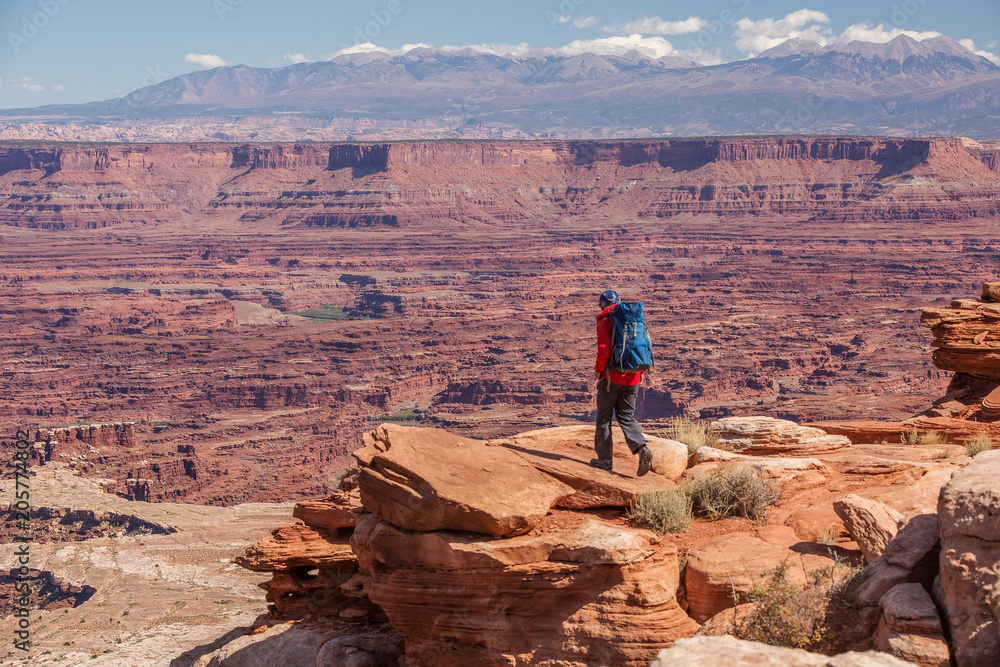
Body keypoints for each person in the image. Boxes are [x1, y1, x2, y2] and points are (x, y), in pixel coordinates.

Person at [591, 289, 653, 476]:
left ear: (602, 304)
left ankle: (604, 460)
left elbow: (604, 350)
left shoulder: (604, 320)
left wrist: (599, 371)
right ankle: (642, 448)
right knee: (627, 416)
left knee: (604, 418)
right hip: (633, 375)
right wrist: (641, 371)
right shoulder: (633, 318)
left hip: (612, 378)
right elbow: (644, 344)